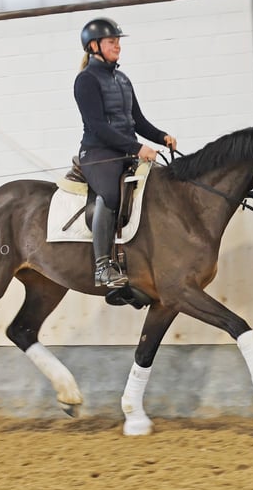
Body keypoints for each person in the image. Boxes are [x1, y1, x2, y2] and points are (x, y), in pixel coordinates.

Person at [74, 17, 177, 288]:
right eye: (112, 41)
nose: (117, 46)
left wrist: (161, 137)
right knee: (109, 196)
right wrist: (136, 147)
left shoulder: (122, 79)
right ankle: (102, 268)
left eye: (118, 41)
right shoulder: (86, 80)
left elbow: (137, 121)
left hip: (127, 151)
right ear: (94, 46)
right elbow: (97, 126)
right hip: (99, 153)